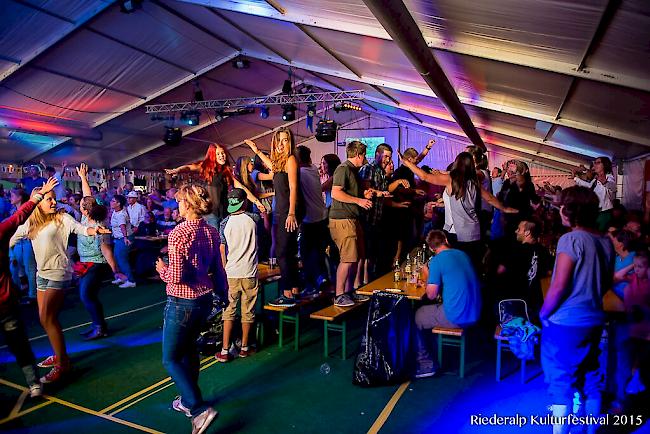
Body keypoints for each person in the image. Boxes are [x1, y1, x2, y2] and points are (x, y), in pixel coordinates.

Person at [10, 182, 111, 384]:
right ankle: (59, 354)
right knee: (44, 318)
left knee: (48, 318)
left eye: (54, 198)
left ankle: (63, 365)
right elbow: (12, 236)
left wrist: (95, 231)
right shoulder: (31, 222)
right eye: (49, 199)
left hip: (59, 272)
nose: (54, 202)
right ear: (38, 203)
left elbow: (82, 229)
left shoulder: (63, 218)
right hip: (42, 274)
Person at [539, 186, 615, 434]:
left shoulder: (570, 239)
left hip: (565, 324)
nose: (559, 209)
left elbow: (559, 286)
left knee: (560, 382)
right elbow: (605, 283)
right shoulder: (605, 241)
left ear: (570, 211)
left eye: (563, 206)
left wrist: (543, 313)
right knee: (590, 377)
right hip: (593, 319)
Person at [155, 184, 225, 434]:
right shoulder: (210, 232)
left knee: (170, 357)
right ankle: (187, 400)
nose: (177, 205)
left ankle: (198, 409)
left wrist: (161, 270)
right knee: (189, 351)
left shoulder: (178, 233)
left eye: (179, 201)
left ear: (188, 204)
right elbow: (218, 269)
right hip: (204, 300)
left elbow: (177, 276)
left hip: (181, 302)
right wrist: (224, 295)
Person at [400, 152, 517, 270]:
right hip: (473, 231)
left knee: (454, 267)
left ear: (457, 163)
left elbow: (425, 176)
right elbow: (490, 199)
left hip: (457, 232)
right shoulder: (474, 182)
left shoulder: (451, 179)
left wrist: (407, 163)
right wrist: (505, 208)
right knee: (468, 268)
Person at [1, 177, 58, 397]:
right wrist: (37, 196)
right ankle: (34, 382)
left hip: (5, 305)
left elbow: (18, 217)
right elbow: (19, 217)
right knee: (19, 344)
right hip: (7, 302)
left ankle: (34, 382)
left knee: (19, 345)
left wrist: (38, 196)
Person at [245, 130, 302, 307]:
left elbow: (293, 188)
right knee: (288, 253)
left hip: (287, 212)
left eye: (285, 140)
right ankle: (294, 290)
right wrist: (257, 151)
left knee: (282, 253)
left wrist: (292, 213)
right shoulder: (280, 163)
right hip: (282, 212)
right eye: (279, 140)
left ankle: (287, 294)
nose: (281, 144)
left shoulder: (291, 160)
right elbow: (273, 165)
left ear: (290, 142)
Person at [414, 230, 482, 378]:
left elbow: (431, 295)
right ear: (446, 239)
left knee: (417, 315)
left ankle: (426, 364)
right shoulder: (463, 254)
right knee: (430, 310)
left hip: (457, 317)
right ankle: (434, 349)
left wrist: (426, 274)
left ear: (431, 249)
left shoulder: (436, 261)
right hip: (476, 311)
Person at [165, 144, 266, 229]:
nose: (222, 156)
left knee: (224, 242)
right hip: (211, 214)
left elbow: (242, 188)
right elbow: (189, 167)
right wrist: (178, 170)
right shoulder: (206, 168)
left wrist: (257, 202)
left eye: (222, 153)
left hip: (225, 212)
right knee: (216, 242)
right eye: (218, 154)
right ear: (213, 156)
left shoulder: (227, 172)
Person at [76, 164, 124, 339]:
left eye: (82, 204)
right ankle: (98, 324)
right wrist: (83, 177)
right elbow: (87, 195)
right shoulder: (84, 217)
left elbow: (106, 248)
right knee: (89, 296)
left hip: (96, 264)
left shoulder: (99, 225)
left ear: (85, 209)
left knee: (86, 295)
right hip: (86, 263)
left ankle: (100, 327)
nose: (80, 203)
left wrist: (115, 270)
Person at [328, 141, 378, 307]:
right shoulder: (343, 169)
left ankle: (349, 292)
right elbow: (336, 193)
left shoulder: (353, 171)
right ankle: (339, 295)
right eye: (364, 155)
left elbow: (350, 191)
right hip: (342, 219)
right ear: (359, 155)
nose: (365, 158)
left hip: (352, 218)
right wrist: (359, 200)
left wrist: (365, 194)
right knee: (348, 259)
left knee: (356, 257)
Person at [217, 189, 259, 362]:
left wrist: (225, 267)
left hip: (231, 272)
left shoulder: (224, 223)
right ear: (245, 202)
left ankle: (225, 350)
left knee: (229, 311)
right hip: (249, 271)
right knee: (248, 311)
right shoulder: (253, 219)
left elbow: (222, 249)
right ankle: (244, 348)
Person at [495, 219, 551, 324]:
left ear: (527, 232)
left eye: (519, 229)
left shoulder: (516, 250)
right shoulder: (544, 251)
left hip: (515, 305)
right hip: (536, 305)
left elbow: (500, 271)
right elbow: (548, 274)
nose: (516, 231)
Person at [296, 145, 330, 295]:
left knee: (305, 253)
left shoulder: (301, 172)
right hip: (321, 216)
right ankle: (321, 280)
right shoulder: (313, 170)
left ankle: (311, 285)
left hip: (310, 219)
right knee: (318, 252)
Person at [8, 188, 37, 304]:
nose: (11, 198)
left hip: (27, 242)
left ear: (19, 197)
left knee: (30, 269)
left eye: (12, 196)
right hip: (17, 243)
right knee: (14, 268)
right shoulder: (12, 211)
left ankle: (32, 295)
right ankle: (17, 293)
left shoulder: (28, 210)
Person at [573, 157, 616, 232]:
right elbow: (589, 186)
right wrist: (575, 178)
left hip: (604, 212)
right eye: (594, 163)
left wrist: (604, 182)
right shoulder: (596, 178)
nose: (595, 165)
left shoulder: (609, 177)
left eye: (598, 163)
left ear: (605, 165)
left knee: (598, 233)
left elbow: (613, 187)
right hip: (597, 212)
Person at [110, 194, 136, 288]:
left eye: (113, 201)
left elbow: (122, 227)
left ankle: (131, 280)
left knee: (122, 259)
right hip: (118, 239)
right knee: (117, 258)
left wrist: (125, 238)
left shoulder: (121, 214)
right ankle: (122, 277)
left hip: (124, 238)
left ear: (118, 204)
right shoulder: (115, 211)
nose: (111, 202)